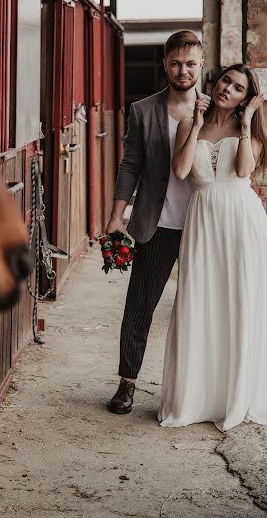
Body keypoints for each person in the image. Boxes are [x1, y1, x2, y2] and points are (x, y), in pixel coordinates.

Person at [159, 63, 267, 431]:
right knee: (202, 300)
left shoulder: (252, 133)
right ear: (216, 82)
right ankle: (201, 396)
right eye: (227, 81)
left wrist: (245, 126)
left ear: (246, 98)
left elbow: (243, 172)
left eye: (239, 88)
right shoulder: (187, 124)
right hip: (202, 221)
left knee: (240, 300)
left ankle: (238, 392)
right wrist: (196, 127)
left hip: (242, 222)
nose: (229, 89)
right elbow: (180, 171)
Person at [106, 30, 209, 414]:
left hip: (205, 225)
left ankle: (202, 389)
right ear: (165, 64)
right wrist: (117, 214)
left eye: (191, 63)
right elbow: (130, 164)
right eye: (177, 63)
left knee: (204, 306)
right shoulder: (143, 109)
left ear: (202, 64)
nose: (184, 70)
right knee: (140, 306)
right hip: (158, 222)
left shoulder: (215, 110)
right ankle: (127, 384)